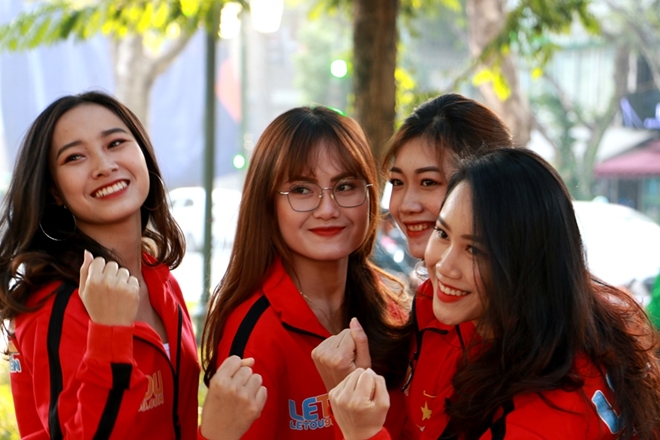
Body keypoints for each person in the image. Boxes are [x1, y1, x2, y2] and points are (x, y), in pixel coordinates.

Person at [329, 148, 660, 440]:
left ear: (527, 264)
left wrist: (362, 433)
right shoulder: (555, 325)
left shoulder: (544, 413)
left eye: (475, 250)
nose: (444, 266)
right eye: (442, 233)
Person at [200, 105, 411, 439]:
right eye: (301, 189)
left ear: (370, 195)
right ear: (268, 205)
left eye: (345, 186)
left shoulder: (390, 306)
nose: (327, 209)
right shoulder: (257, 333)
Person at [0, 91, 201, 439]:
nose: (104, 166)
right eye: (75, 157)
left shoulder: (159, 278)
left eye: (115, 143)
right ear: (54, 191)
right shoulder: (53, 305)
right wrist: (109, 333)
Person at [313, 94, 514, 438]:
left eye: (429, 182)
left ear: (489, 186)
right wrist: (355, 392)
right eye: (397, 182)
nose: (405, 205)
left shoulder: (530, 340)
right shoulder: (430, 301)